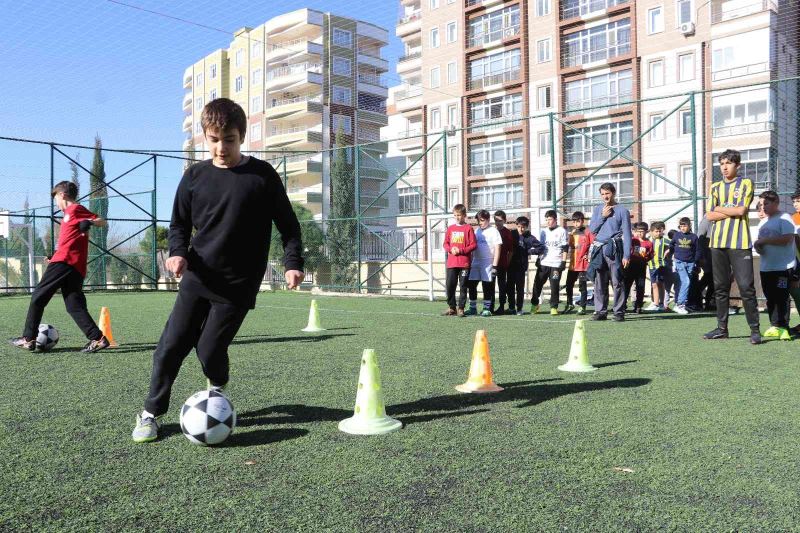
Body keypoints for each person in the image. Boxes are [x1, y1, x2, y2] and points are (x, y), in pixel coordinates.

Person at [132, 98, 304, 443]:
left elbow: (289, 225)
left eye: (229, 139)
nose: (221, 147)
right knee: (171, 345)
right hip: (199, 275)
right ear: (204, 138)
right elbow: (178, 224)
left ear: (242, 137)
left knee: (209, 350)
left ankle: (217, 385)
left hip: (238, 283)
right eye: (214, 139)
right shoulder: (195, 176)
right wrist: (178, 253)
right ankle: (150, 413)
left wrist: (292, 263)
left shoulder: (262, 176)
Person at [9, 181, 110, 353]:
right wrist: (53, 257)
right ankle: (98, 338)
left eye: (55, 197)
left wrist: (89, 222)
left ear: (62, 195)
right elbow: (69, 241)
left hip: (65, 262)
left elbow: (102, 221)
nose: (56, 201)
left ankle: (28, 338)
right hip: (72, 264)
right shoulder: (68, 215)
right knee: (74, 306)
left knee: (38, 297)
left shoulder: (75, 209)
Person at [703, 149, 761, 344]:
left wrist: (719, 208)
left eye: (729, 163)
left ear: (738, 165)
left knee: (746, 287)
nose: (725, 167)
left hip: (739, 243)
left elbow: (742, 209)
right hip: (717, 243)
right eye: (722, 164)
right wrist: (729, 210)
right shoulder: (715, 187)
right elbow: (709, 215)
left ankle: (754, 330)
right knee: (720, 287)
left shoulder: (746, 183)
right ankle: (722, 329)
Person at [754, 190, 796, 340]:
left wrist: (763, 241)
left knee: (781, 297)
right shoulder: (763, 221)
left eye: (766, 203)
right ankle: (774, 325)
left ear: (776, 203)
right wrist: (757, 246)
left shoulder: (784, 218)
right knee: (770, 297)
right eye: (761, 204)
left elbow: (787, 239)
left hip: (782, 267)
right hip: (766, 267)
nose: (763, 206)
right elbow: (759, 243)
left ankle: (784, 327)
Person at [587, 183, 632, 321]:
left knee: (617, 281)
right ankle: (600, 311)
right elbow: (592, 229)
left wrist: (626, 255)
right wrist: (602, 216)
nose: (605, 196)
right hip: (599, 248)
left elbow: (627, 234)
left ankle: (618, 311)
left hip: (614, 248)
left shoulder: (622, 210)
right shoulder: (597, 210)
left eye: (607, 193)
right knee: (599, 281)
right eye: (602, 194)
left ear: (613, 193)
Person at [466, 209, 502, 317]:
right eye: (478, 220)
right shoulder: (477, 231)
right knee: (472, 284)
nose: (480, 222)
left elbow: (498, 248)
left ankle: (486, 309)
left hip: (488, 262)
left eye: (482, 220)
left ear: (488, 219)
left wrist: (495, 265)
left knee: (487, 285)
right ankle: (472, 308)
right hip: (475, 261)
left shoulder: (494, 231)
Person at [531, 209, 568, 315]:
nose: (548, 221)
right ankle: (534, 305)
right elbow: (541, 248)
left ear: (555, 219)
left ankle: (553, 307)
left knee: (554, 286)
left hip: (556, 264)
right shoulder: (543, 232)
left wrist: (563, 262)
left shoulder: (562, 231)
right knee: (537, 285)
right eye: (546, 219)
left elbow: (565, 248)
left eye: (550, 219)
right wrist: (539, 259)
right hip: (544, 263)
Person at [442, 204, 476, 317]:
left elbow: (473, 245)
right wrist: (451, 249)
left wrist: (461, 251)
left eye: (460, 215)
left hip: (464, 263)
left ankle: (461, 308)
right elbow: (445, 244)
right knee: (450, 285)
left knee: (463, 286)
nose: (457, 217)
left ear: (464, 215)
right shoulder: (450, 229)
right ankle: (452, 308)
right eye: (455, 215)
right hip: (452, 263)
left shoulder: (468, 228)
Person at [507, 216, 543, 315]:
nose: (521, 229)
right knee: (509, 287)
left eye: (523, 227)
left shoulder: (529, 237)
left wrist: (529, 251)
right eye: (519, 226)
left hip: (521, 268)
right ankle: (511, 307)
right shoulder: (512, 234)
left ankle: (519, 308)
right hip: (510, 266)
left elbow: (541, 247)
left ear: (527, 227)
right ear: (516, 226)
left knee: (519, 289)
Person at [669, 217, 701, 315]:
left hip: (690, 263)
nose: (682, 228)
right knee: (686, 281)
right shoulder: (677, 235)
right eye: (681, 226)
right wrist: (670, 252)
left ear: (689, 226)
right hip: (679, 262)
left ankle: (684, 304)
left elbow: (698, 250)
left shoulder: (694, 237)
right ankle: (680, 305)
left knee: (687, 283)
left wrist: (695, 261)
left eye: (684, 226)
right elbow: (671, 245)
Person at [564, 211, 594, 315]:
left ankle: (582, 306)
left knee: (582, 286)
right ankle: (569, 304)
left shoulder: (588, 232)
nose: (576, 224)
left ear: (582, 221)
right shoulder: (572, 233)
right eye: (574, 222)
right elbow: (569, 247)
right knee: (569, 285)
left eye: (578, 221)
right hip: (572, 265)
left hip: (583, 265)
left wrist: (588, 255)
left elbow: (593, 245)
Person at [624, 222, 653, 314]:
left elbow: (651, 254)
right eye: (638, 231)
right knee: (626, 286)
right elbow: (627, 250)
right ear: (635, 231)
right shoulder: (633, 240)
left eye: (642, 231)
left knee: (640, 287)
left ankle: (638, 306)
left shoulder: (648, 243)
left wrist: (646, 258)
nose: (640, 233)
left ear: (646, 232)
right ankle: (622, 304)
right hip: (631, 266)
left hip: (641, 266)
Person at [491, 210, 514, 315]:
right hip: (491, 264)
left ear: (504, 220)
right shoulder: (491, 231)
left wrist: (507, 263)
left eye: (500, 220)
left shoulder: (507, 233)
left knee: (502, 285)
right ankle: (490, 306)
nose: (497, 222)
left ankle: (501, 306)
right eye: (496, 220)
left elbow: (511, 251)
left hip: (502, 265)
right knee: (490, 285)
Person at [645, 221, 669, 312]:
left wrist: (668, 250)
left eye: (660, 231)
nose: (658, 233)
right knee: (654, 284)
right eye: (656, 231)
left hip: (661, 265)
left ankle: (661, 304)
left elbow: (673, 244)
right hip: (651, 265)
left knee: (660, 284)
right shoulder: (648, 239)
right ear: (651, 231)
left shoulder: (664, 239)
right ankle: (655, 303)